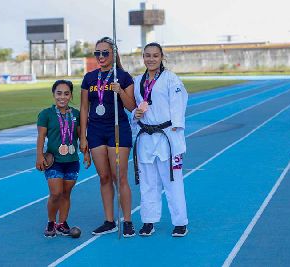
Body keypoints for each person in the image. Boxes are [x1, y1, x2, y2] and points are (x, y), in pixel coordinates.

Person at [79, 37, 137, 237]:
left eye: (105, 53)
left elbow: (132, 107)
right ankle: (109, 221)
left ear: (113, 55)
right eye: (97, 53)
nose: (101, 57)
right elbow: (84, 108)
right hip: (95, 131)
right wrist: (83, 137)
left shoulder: (123, 76)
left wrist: (119, 90)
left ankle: (127, 221)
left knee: (119, 176)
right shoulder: (89, 78)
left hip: (117, 129)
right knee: (103, 177)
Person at [132, 42, 189, 237]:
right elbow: (136, 106)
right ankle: (148, 221)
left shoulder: (171, 79)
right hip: (146, 137)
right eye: (147, 55)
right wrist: (135, 113)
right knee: (148, 182)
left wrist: (176, 131)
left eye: (155, 55)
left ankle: (180, 222)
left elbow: (179, 105)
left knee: (172, 181)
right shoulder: (138, 80)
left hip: (167, 137)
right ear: (143, 57)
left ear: (161, 57)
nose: (151, 59)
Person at [36, 80, 91, 238]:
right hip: (53, 161)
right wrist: (39, 155)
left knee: (66, 193)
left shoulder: (75, 114)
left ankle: (62, 223)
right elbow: (41, 137)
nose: (62, 97)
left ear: (71, 95)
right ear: (53, 94)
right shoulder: (46, 114)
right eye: (59, 93)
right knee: (56, 193)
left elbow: (82, 137)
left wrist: (86, 153)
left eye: (66, 94)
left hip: (72, 161)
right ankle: (51, 222)